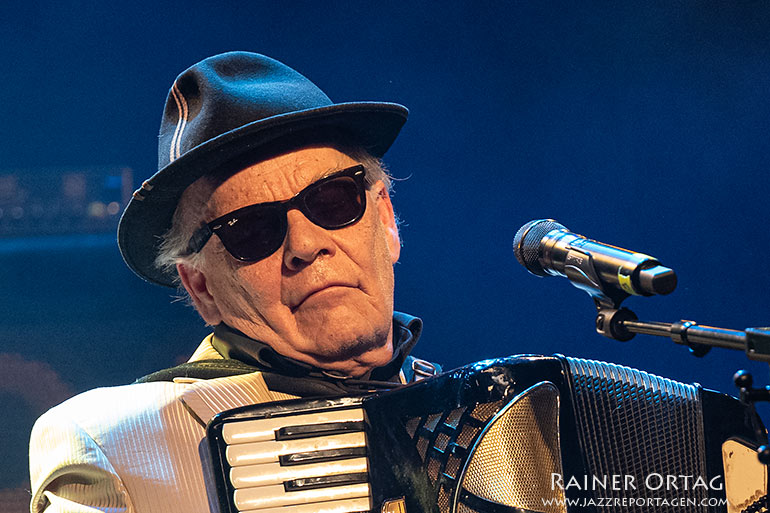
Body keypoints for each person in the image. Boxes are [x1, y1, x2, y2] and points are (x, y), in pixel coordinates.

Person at [28, 51, 438, 513]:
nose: (305, 244)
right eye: (251, 229)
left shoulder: (487, 419)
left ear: (385, 220)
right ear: (201, 288)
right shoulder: (114, 447)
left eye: (333, 200)